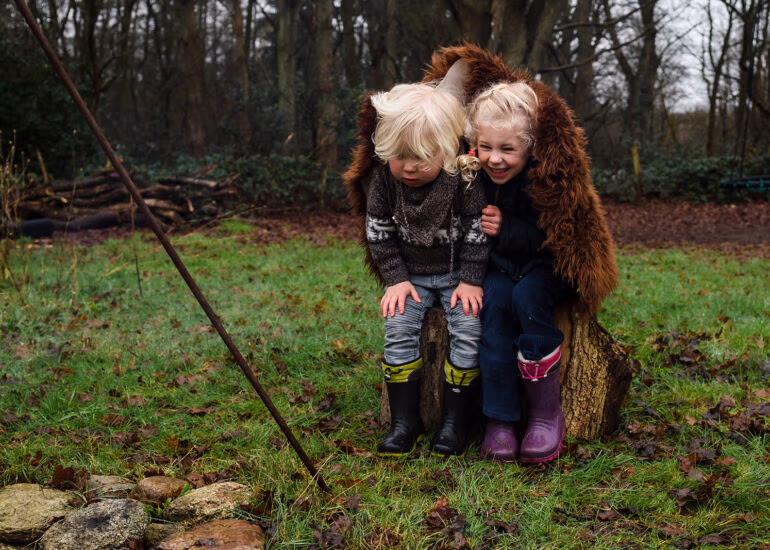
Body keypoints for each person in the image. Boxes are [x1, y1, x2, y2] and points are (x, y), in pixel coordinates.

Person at [364, 81, 489, 458]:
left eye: (422, 157)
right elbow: (378, 231)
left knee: (468, 330)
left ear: (447, 149)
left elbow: (476, 230)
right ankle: (405, 422)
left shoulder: (464, 178)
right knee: (398, 328)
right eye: (400, 156)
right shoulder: (385, 180)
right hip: (412, 277)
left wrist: (470, 280)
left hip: (456, 277)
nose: (410, 167)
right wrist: (396, 279)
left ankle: (455, 423)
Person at [465, 81, 576, 463]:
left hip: (545, 267)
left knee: (526, 298)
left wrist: (507, 228)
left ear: (530, 148)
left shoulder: (546, 178)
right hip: (499, 268)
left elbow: (559, 236)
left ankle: (545, 415)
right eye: (486, 147)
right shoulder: (472, 176)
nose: (494, 159)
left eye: (507, 149)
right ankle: (500, 421)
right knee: (493, 308)